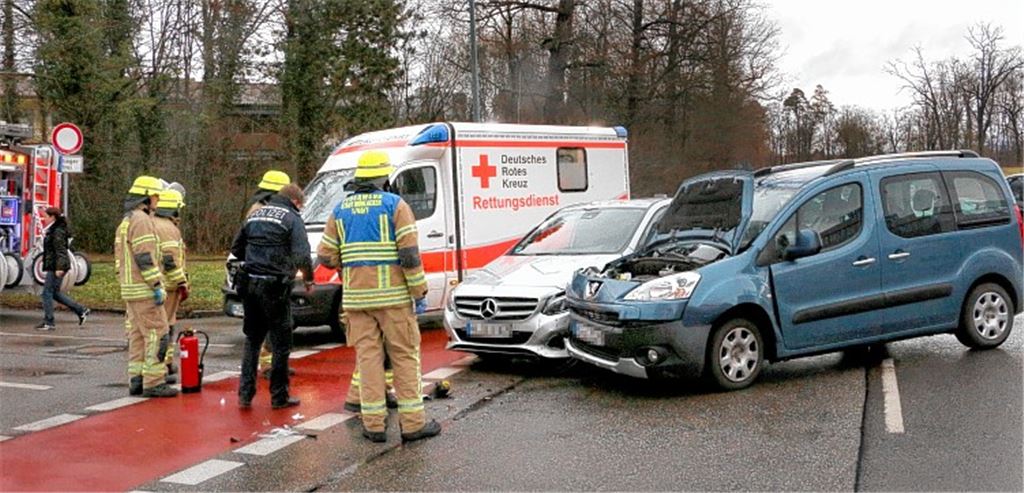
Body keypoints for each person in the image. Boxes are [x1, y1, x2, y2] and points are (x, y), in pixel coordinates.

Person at [316, 150, 439, 443]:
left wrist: (349, 263)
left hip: (357, 301)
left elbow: (324, 255)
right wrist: (418, 291)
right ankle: (412, 425)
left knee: (368, 359)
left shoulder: (340, 210)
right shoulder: (396, 205)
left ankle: (373, 425)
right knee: (405, 357)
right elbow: (409, 256)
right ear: (384, 178)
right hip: (394, 299)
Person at [231, 183, 312, 409]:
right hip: (275, 287)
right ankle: (279, 397)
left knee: (253, 340)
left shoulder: (255, 215)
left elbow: (236, 249)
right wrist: (307, 279)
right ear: (296, 202)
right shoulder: (292, 218)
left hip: (249, 284)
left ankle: (245, 394)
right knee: (281, 343)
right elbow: (302, 255)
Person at [116, 176, 177, 397]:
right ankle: (153, 381)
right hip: (144, 289)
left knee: (138, 336)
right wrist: (156, 284)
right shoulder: (141, 220)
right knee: (158, 334)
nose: (157, 201)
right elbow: (144, 256)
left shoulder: (126, 221)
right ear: (147, 197)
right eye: (155, 196)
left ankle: (136, 379)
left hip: (130, 289)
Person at [247, 170, 293, 379]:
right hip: (269, 276)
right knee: (272, 324)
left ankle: (272, 364)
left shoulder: (259, 210)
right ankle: (269, 366)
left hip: (263, 276)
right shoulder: (263, 212)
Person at [152, 189, 189, 381]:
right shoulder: (168, 229)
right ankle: (161, 367)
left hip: (159, 285)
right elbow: (170, 260)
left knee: (166, 325)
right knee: (165, 327)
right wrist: (182, 282)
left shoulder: (153, 223)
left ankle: (165, 364)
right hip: (168, 286)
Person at [35, 207, 89, 331]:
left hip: (56, 265)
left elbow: (60, 251)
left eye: (46, 217)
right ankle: (81, 310)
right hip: (56, 265)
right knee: (54, 293)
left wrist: (59, 267)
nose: (44, 220)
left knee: (46, 293)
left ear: (53, 217)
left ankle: (49, 321)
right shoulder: (56, 229)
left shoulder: (57, 231)